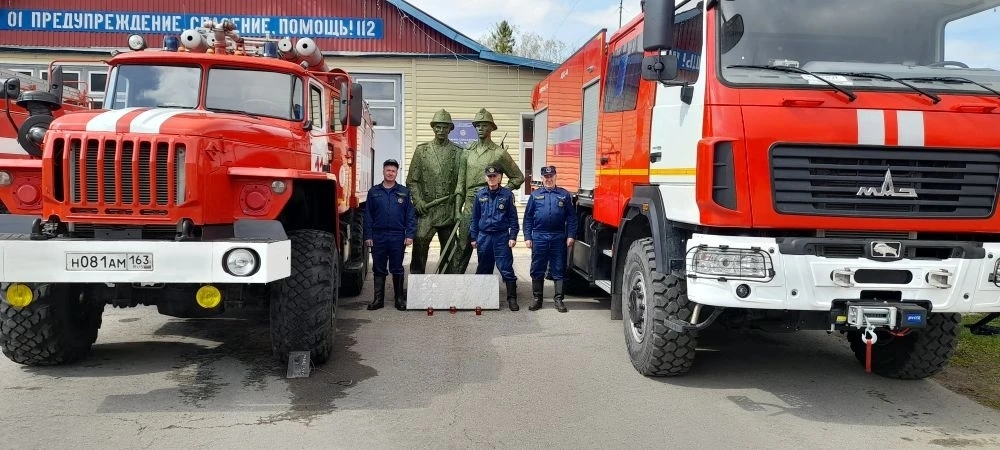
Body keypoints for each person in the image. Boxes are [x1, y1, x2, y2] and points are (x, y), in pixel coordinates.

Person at [447, 107, 525, 274]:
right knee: (463, 244)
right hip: (470, 203)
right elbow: (460, 184)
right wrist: (457, 210)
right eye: (478, 125)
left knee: (489, 249)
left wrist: (503, 191)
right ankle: (455, 282)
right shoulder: (467, 152)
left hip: (493, 203)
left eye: (484, 125)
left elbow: (518, 177)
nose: (481, 128)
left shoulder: (499, 153)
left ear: (491, 128)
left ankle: (485, 285)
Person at [405, 109, 463, 274]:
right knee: (420, 240)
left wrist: (458, 207)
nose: (441, 130)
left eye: (445, 127)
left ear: (450, 129)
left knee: (450, 249)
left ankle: (448, 284)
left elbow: (461, 183)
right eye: (438, 127)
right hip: (427, 209)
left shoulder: (459, 153)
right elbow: (412, 181)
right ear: (433, 128)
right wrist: (418, 201)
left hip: (447, 209)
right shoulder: (422, 151)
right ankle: (417, 281)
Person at [363, 159, 417, 311]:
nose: (390, 173)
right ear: (383, 171)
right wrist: (368, 236)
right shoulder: (374, 192)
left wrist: (410, 235)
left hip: (397, 236)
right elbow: (368, 216)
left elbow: (410, 215)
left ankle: (399, 299)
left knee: (397, 268)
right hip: (378, 236)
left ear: (396, 173)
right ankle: (378, 300)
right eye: (388, 170)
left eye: (393, 171)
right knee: (378, 268)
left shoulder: (404, 192)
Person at [523, 165, 578, 312]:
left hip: (558, 236)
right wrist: (528, 236)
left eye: (551, 176)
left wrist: (571, 235)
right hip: (539, 236)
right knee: (537, 267)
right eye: (546, 177)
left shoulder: (564, 195)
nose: (548, 179)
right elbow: (528, 218)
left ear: (555, 177)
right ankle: (537, 299)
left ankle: (559, 299)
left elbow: (572, 218)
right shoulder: (535, 196)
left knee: (559, 267)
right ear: (542, 178)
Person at [470, 166, 521, 311]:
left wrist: (513, 236)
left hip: (501, 237)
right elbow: (475, 218)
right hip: (484, 237)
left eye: (494, 176)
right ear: (486, 178)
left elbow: (513, 218)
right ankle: (482, 298)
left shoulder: (507, 195)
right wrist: (473, 237)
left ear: (499, 178)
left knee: (505, 268)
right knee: (483, 268)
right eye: (489, 176)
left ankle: (512, 299)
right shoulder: (480, 195)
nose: (492, 179)